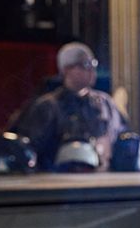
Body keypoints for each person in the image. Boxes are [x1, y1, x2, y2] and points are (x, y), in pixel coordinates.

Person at [10, 42, 127, 172]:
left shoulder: (105, 103)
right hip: (57, 178)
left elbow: (121, 137)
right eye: (85, 65)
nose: (91, 70)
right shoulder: (47, 107)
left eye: (93, 64)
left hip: (103, 176)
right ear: (66, 69)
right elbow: (29, 149)